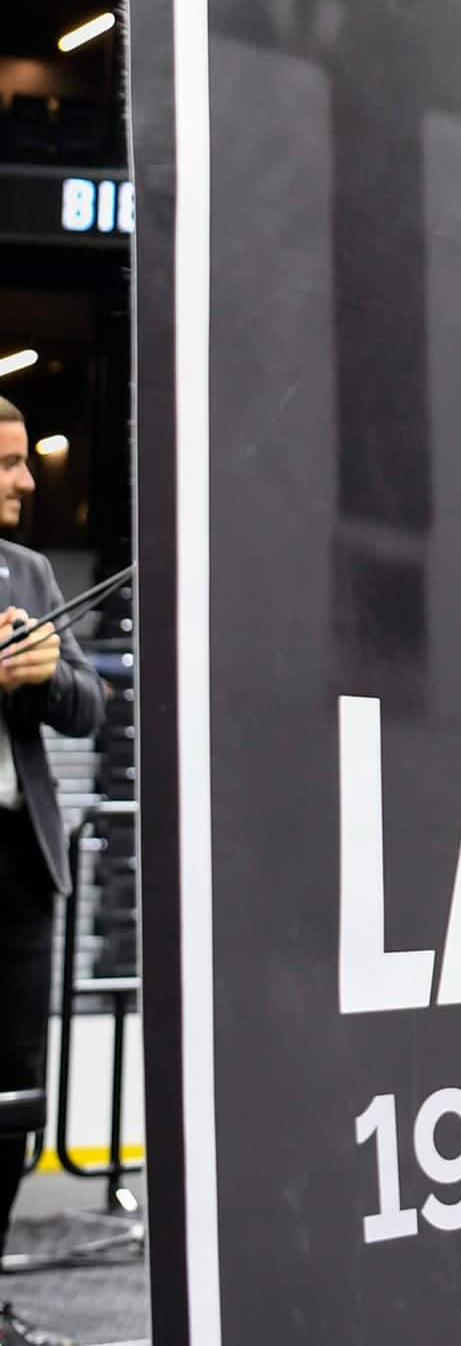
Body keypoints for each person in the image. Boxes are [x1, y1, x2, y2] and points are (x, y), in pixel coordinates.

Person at [0, 397, 105, 1345]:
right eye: (9, 464)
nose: (28, 481)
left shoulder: (30, 571)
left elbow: (91, 705)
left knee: (11, 1101)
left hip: (17, 867)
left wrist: (43, 676)